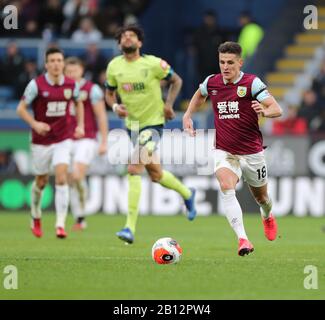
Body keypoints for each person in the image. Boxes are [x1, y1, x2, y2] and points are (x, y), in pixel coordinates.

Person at [183, 41, 282, 256]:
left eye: (230, 62)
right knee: (226, 185)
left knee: (262, 198)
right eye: (221, 62)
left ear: (240, 62)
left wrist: (264, 112)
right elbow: (200, 94)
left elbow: (276, 108)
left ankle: (267, 216)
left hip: (252, 152)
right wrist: (188, 115)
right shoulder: (213, 82)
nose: (225, 67)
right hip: (225, 150)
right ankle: (243, 239)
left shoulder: (252, 83)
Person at [105, 24, 197, 244]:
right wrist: (116, 107)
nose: (127, 38)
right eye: (123, 36)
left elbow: (177, 81)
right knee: (155, 174)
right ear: (119, 44)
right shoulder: (114, 67)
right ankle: (187, 193)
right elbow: (109, 93)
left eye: (132, 35)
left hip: (153, 125)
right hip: (132, 127)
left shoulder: (154, 63)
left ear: (140, 42)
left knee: (133, 167)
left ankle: (129, 228)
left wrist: (168, 105)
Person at [16, 47, 84, 239]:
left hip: (63, 138)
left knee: (62, 178)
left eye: (59, 60)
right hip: (40, 141)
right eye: (52, 61)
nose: (56, 64)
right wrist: (35, 124)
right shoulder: (36, 85)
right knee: (41, 182)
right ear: (46, 65)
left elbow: (78, 103)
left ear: (63, 63)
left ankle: (60, 224)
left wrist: (79, 125)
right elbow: (20, 109)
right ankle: (35, 215)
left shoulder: (71, 85)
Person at [64, 57, 108, 230]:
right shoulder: (60, 88)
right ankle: (79, 217)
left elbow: (101, 116)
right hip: (65, 140)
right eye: (68, 71)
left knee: (76, 173)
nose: (71, 74)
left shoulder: (92, 90)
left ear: (81, 71)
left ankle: (81, 215)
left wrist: (104, 141)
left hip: (86, 138)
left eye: (74, 71)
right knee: (70, 179)